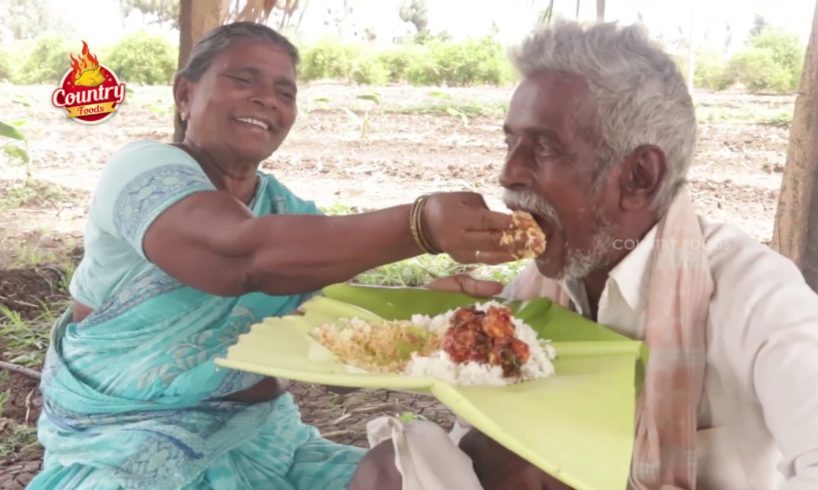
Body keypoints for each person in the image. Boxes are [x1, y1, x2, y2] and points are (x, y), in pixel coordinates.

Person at [28, 22, 526, 490]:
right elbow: (235, 258)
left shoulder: (287, 213)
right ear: (185, 94)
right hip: (127, 451)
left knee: (407, 474)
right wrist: (420, 225)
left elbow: (330, 338)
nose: (266, 98)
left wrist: (424, 314)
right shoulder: (143, 172)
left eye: (284, 92)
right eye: (243, 80)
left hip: (265, 445)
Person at [355, 21, 818, 489]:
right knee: (392, 470)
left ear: (640, 177)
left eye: (543, 148)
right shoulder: (537, 295)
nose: (507, 173)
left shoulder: (756, 295)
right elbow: (485, 447)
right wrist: (448, 340)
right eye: (509, 143)